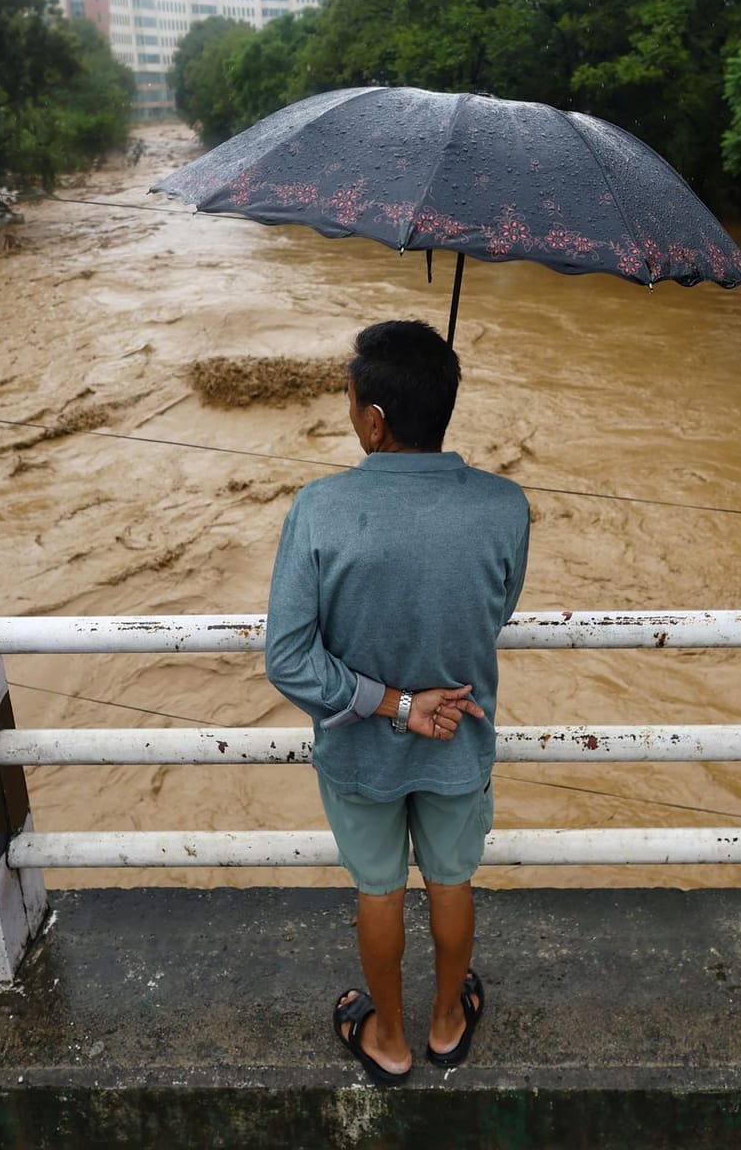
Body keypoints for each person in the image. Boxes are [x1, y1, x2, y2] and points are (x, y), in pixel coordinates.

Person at [264, 320, 530, 1086]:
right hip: (459, 738)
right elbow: (496, 608)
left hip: (360, 749)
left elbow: (287, 657)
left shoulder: (319, 508)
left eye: (351, 402)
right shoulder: (505, 505)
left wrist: (391, 702)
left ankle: (389, 1037)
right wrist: (424, 693)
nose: (350, 415)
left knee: (378, 890)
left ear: (375, 419)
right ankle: (448, 1022)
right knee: (452, 881)